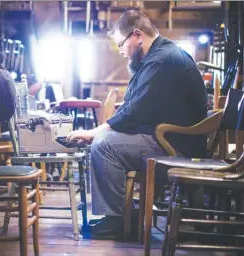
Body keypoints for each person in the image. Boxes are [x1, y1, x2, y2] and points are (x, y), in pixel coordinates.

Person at [67, 10, 208, 239]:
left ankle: (117, 221)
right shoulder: (159, 56)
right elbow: (136, 106)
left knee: (104, 145)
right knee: (104, 139)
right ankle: (125, 216)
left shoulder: (161, 60)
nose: (121, 51)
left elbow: (135, 111)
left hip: (177, 147)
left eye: (121, 44)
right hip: (170, 139)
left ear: (137, 35)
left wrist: (93, 132)